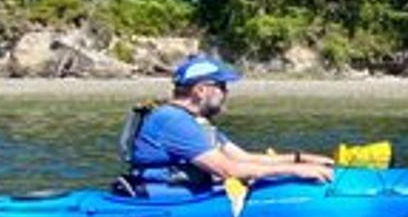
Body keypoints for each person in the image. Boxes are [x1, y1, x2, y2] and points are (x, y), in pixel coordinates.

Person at [119, 55, 336, 196]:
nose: (226, 93)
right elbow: (228, 169)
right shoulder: (173, 121)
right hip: (162, 202)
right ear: (201, 90)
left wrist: (300, 158)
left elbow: (244, 158)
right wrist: (295, 171)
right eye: (221, 86)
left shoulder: (196, 122)